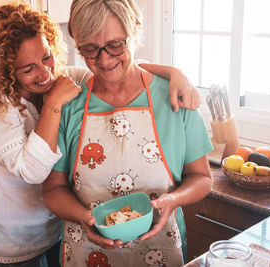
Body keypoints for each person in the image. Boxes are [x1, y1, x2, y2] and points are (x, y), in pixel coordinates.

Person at [0, 3, 202, 267]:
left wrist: (174, 72)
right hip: (16, 241)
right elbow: (34, 173)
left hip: (56, 234)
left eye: (47, 57)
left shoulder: (62, 79)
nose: (45, 73)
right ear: (4, 72)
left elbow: (118, 69)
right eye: (28, 69)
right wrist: (53, 104)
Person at [42, 0, 213, 266]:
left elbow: (202, 177)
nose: (105, 59)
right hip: (86, 254)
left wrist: (173, 200)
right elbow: (53, 189)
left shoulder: (174, 97)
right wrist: (83, 217)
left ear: (133, 34)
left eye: (115, 45)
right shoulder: (69, 105)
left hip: (160, 251)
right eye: (90, 49)